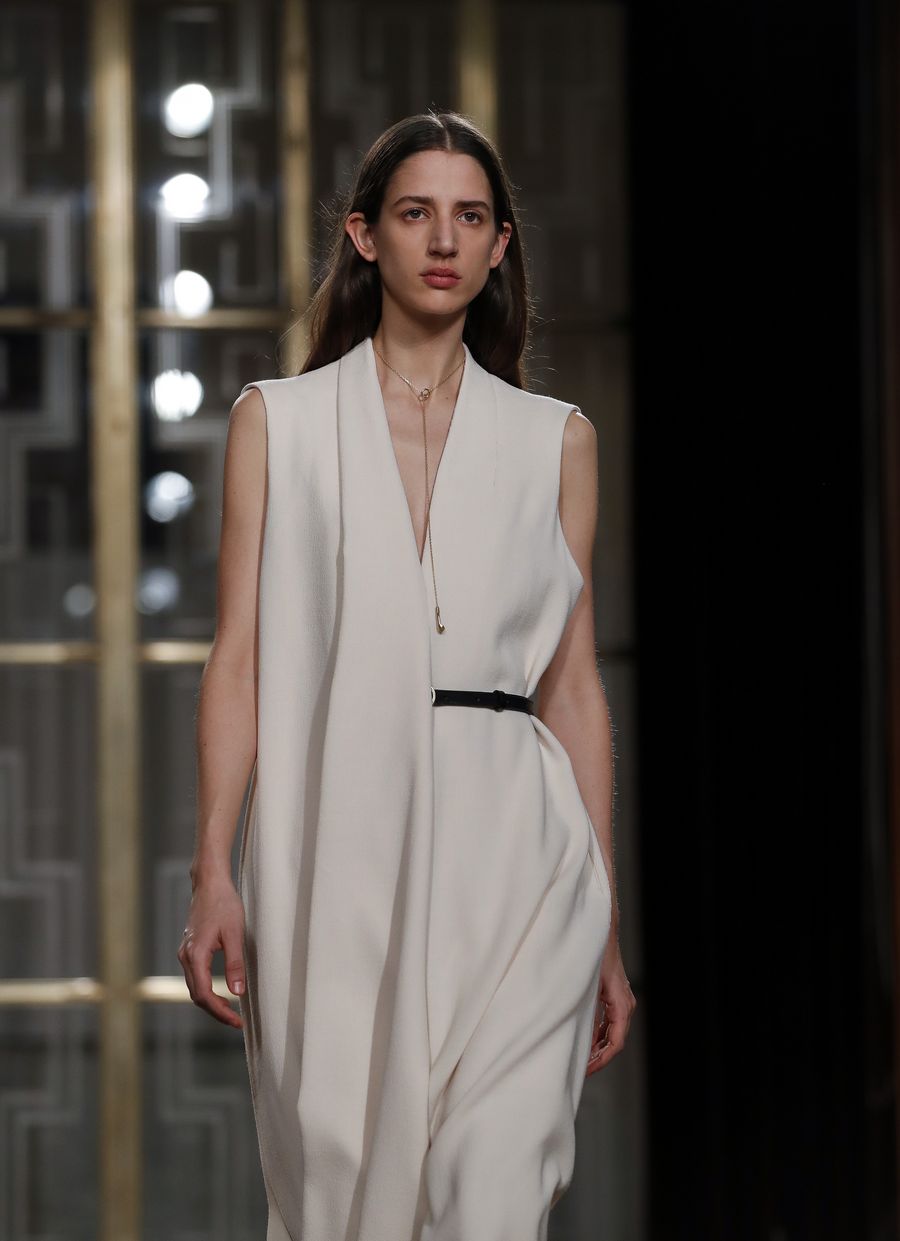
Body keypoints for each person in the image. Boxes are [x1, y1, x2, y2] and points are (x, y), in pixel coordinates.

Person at [178, 108, 636, 1241]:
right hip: (341, 844)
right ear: (364, 234)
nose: (444, 239)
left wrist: (606, 915)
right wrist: (212, 867)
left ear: (500, 245)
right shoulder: (279, 424)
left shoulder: (557, 439)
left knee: (492, 1193)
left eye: (471, 217)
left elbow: (572, 686)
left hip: (521, 854)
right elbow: (239, 658)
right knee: (349, 1197)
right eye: (416, 212)